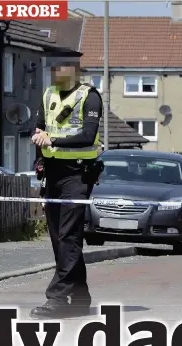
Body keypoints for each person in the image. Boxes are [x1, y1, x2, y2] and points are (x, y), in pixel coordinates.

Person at [29, 49, 104, 319]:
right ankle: (81, 295)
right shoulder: (49, 95)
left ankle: (58, 298)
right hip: (53, 173)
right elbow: (38, 127)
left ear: (73, 70)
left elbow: (87, 135)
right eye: (52, 68)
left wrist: (53, 141)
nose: (54, 73)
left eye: (59, 68)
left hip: (78, 174)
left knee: (69, 235)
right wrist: (38, 143)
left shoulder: (90, 96)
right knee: (58, 238)